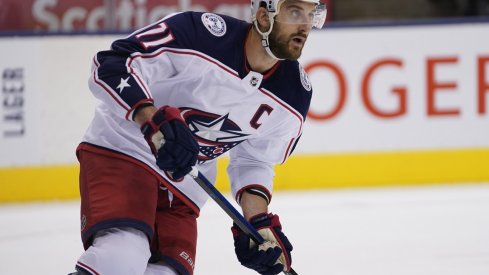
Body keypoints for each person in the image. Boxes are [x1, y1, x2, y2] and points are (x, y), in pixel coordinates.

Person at [72, 0, 326, 274]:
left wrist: (258, 221)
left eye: (312, 15)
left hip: (185, 187)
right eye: (295, 11)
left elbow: (255, 160)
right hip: (125, 151)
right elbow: (113, 64)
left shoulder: (294, 94)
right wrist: (151, 120)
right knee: (122, 256)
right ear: (264, 17)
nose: (305, 25)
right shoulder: (201, 35)